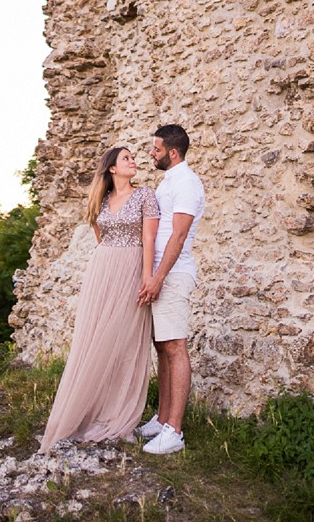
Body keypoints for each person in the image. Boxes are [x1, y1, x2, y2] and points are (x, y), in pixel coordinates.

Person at [39, 146, 160, 452]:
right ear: (112, 169)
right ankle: (85, 410)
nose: (134, 162)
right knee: (94, 338)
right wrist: (110, 261)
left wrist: (147, 277)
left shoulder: (146, 195)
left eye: (133, 158)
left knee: (124, 340)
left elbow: (149, 238)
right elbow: (100, 236)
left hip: (132, 268)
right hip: (103, 270)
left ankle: (118, 413)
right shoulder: (101, 200)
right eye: (126, 159)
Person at [136, 123, 205, 455]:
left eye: (156, 148)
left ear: (172, 152)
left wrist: (158, 278)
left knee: (175, 346)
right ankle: (161, 419)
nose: (152, 153)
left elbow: (178, 236)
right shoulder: (167, 183)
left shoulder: (188, 184)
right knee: (162, 347)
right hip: (160, 274)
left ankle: (174, 432)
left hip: (174, 275)